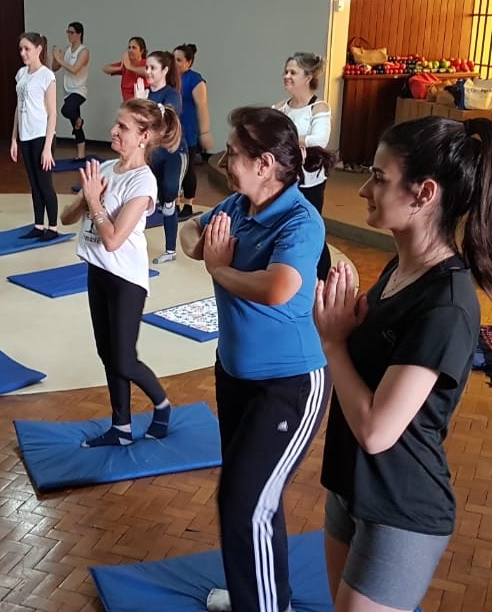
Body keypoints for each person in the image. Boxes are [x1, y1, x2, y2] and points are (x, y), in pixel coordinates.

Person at [313, 115, 492, 612]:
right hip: (350, 485)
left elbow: (377, 430)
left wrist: (334, 344)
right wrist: (345, 330)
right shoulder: (400, 270)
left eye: (379, 178)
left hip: (400, 506)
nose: (364, 190)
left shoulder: (446, 306)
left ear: (424, 194)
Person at [178, 107, 328, 612]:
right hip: (235, 375)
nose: (224, 161)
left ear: (265, 164)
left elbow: (279, 287)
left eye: (234, 154)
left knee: (244, 501)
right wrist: (204, 249)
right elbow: (189, 229)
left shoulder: (300, 220)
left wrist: (219, 269)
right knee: (255, 499)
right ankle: (262, 596)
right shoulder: (239, 206)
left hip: (289, 386)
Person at [60, 99, 180, 447]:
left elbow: (113, 240)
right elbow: (66, 218)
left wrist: (95, 202)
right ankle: (121, 428)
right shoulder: (107, 168)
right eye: (116, 124)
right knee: (106, 353)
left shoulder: (143, 182)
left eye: (122, 127)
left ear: (144, 136)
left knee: (124, 360)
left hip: (126, 280)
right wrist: (86, 197)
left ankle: (162, 405)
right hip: (98, 272)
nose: (113, 131)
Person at [275, 52, 335, 280]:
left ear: (308, 77)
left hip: (310, 182)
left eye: (293, 72)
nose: (287, 76)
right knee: (283, 226)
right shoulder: (279, 107)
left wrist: (287, 139)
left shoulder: (318, 107)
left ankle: (322, 278)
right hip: (284, 179)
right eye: (286, 71)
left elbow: (319, 140)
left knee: (310, 227)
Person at [136, 51, 185, 265]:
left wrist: (142, 102)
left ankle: (170, 249)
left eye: (153, 68)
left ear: (165, 70)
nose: (148, 72)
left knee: (169, 198)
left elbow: (166, 116)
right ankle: (132, 244)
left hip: (174, 154)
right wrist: (138, 102)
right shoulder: (145, 94)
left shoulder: (172, 94)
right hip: (153, 154)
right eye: (146, 67)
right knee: (142, 197)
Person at [10, 32, 59, 241]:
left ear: (38, 49)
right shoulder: (21, 74)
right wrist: (14, 138)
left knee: (44, 183)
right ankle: (39, 225)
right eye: (21, 49)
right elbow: (18, 106)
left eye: (27, 49)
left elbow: (52, 113)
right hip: (26, 135)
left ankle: (53, 227)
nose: (23, 53)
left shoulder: (47, 75)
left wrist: (47, 148)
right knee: (33, 183)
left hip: (41, 135)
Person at [175, 44, 213, 217]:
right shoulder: (169, 78)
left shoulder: (195, 80)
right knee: (173, 169)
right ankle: (174, 203)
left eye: (179, 60)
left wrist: (205, 133)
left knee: (188, 169)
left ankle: (188, 205)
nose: (175, 63)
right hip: (172, 131)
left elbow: (202, 107)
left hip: (189, 131)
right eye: (173, 59)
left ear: (188, 62)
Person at [51, 21, 91, 161]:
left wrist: (60, 60)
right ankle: (81, 155)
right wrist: (56, 58)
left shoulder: (84, 51)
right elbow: (54, 68)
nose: (69, 35)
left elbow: (74, 69)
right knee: (76, 125)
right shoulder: (67, 50)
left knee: (66, 110)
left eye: (72, 32)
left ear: (79, 34)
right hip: (67, 91)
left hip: (79, 90)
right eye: (68, 32)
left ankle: (79, 120)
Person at [102, 36, 148, 101]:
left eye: (134, 48)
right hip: (127, 103)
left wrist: (130, 67)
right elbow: (105, 69)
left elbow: (148, 71)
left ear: (141, 51)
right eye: (129, 47)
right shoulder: (125, 64)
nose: (130, 50)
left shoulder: (146, 62)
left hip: (143, 103)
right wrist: (120, 68)